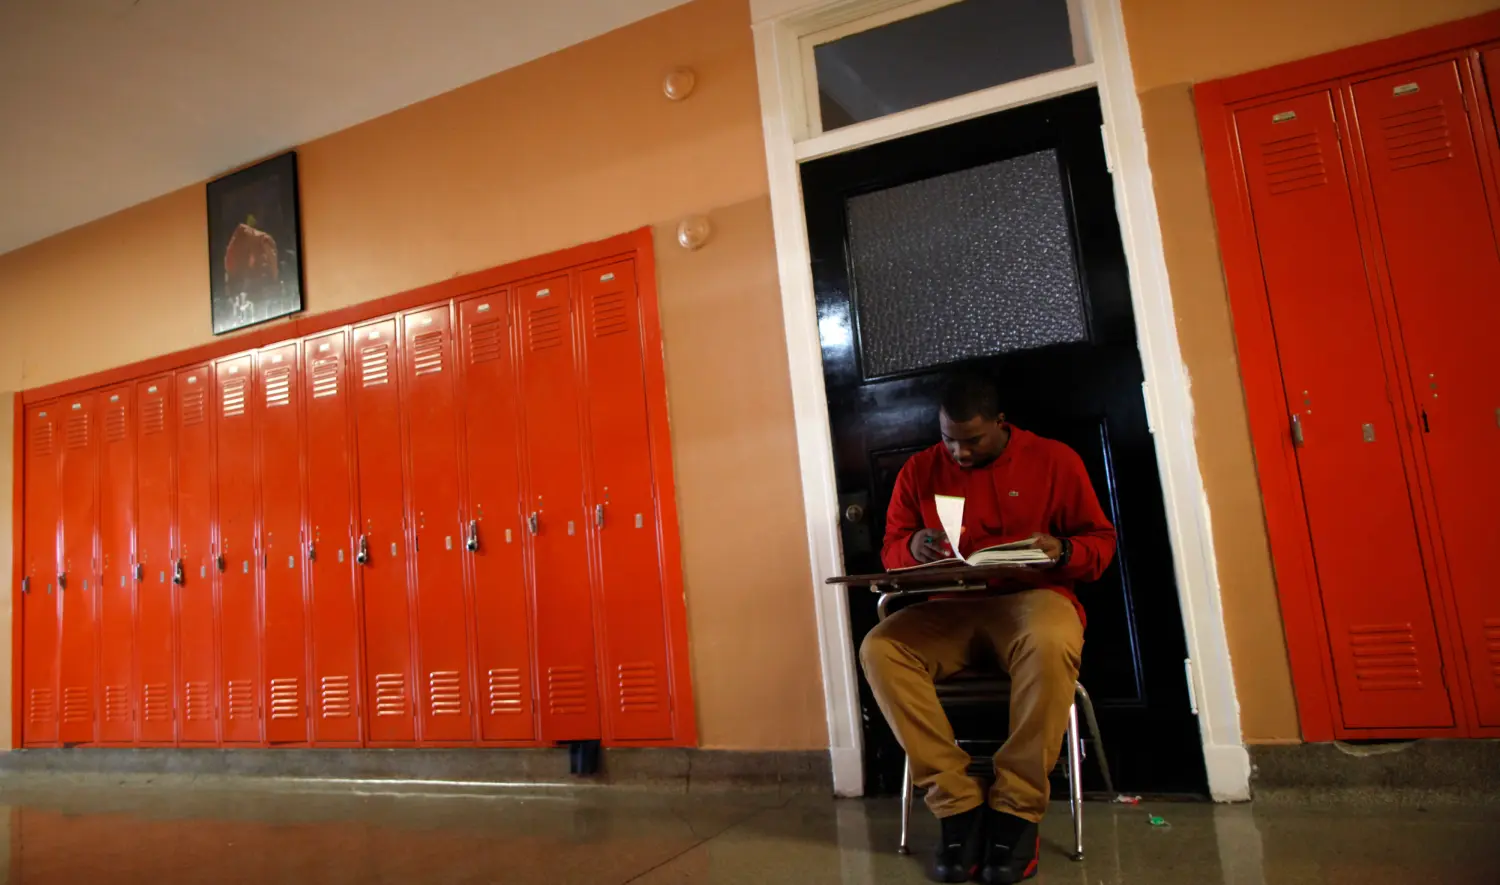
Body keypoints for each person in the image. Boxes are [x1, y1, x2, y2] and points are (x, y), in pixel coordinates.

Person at [859, 373, 1117, 884]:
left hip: (1032, 600)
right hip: (950, 608)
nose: (958, 452)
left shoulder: (1054, 459)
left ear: (1001, 424)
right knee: (880, 648)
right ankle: (957, 805)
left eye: (972, 440)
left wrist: (1063, 550)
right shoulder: (919, 470)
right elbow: (891, 549)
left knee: (1049, 639)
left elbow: (1100, 543)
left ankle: (1017, 810)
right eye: (948, 438)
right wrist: (912, 549)